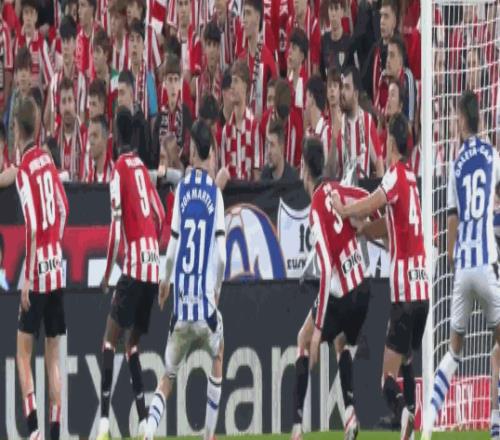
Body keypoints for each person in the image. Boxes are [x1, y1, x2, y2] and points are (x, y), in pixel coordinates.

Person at [332, 112, 429, 440]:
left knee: (386, 379)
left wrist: (344, 210)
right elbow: (389, 226)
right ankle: (413, 423)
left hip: (404, 292)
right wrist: (362, 230)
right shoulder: (412, 179)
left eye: (385, 140)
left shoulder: (395, 174)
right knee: (408, 359)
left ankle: (404, 416)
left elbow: (372, 201)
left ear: (391, 144)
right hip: (423, 291)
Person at [422, 91, 500, 440]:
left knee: (453, 352)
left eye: (456, 117)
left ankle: (427, 425)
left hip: (463, 268)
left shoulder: (455, 164)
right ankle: (496, 423)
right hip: (487, 264)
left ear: (463, 119)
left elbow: (451, 220)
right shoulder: (493, 155)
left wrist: (454, 257)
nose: (454, 122)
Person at [143, 119, 226, 440]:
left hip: (181, 310)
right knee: (218, 354)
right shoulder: (215, 195)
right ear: (211, 153)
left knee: (167, 377)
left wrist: (165, 284)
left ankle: (149, 430)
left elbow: (172, 249)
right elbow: (221, 256)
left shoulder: (181, 192)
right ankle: (208, 434)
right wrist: (216, 290)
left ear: (191, 153)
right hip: (205, 309)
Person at [291, 136, 373, 440]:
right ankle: (350, 416)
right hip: (363, 288)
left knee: (302, 340)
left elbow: (325, 268)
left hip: (343, 295)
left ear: (304, 167)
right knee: (340, 343)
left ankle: (296, 428)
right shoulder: (337, 189)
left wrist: (317, 330)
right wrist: (365, 224)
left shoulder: (315, 208)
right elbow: (366, 196)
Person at [97, 106, 165, 440]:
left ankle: (103, 424)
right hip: (152, 267)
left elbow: (115, 230)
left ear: (114, 135)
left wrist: (107, 274)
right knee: (132, 346)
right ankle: (142, 423)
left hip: (135, 265)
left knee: (109, 342)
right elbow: (161, 214)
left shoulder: (119, 170)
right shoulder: (141, 167)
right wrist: (151, 244)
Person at [15, 97, 69, 440]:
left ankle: (34, 430)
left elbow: (32, 227)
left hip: (37, 273)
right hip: (57, 269)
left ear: (17, 130)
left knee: (23, 353)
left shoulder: (24, 171)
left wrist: (27, 278)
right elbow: (64, 209)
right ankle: (54, 433)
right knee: (53, 357)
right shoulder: (48, 162)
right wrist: (55, 246)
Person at [336, 65, 384, 180]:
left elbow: (379, 164)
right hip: (342, 189)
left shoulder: (367, 121)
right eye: (342, 87)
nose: (342, 92)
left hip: (362, 189)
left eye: (347, 87)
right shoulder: (338, 123)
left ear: (356, 94)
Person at [220, 59, 262, 182]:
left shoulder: (254, 127)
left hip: (249, 191)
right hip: (231, 192)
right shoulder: (226, 131)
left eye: (236, 81)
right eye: (231, 81)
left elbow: (257, 174)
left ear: (245, 86)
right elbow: (223, 171)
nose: (232, 86)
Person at [46, 15, 87, 133]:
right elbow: (53, 119)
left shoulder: (81, 80)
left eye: (68, 41)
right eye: (63, 41)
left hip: (75, 137)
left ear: (75, 43)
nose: (65, 46)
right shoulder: (55, 80)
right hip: (59, 138)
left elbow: (81, 119)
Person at [13, 0, 54, 90]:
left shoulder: (42, 43)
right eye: (26, 13)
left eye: (31, 13)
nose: (28, 18)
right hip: (20, 93)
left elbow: (51, 79)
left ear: (36, 17)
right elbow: (15, 76)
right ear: (22, 16)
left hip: (35, 93)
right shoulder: (17, 41)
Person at [54, 77, 87, 182]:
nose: (67, 107)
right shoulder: (54, 139)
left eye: (70, 100)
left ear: (75, 103)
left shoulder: (85, 136)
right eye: (63, 102)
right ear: (59, 106)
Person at [85, 115, 114, 183]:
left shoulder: (115, 174)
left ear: (105, 138)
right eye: (89, 136)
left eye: (95, 135)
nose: (91, 141)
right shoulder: (88, 179)